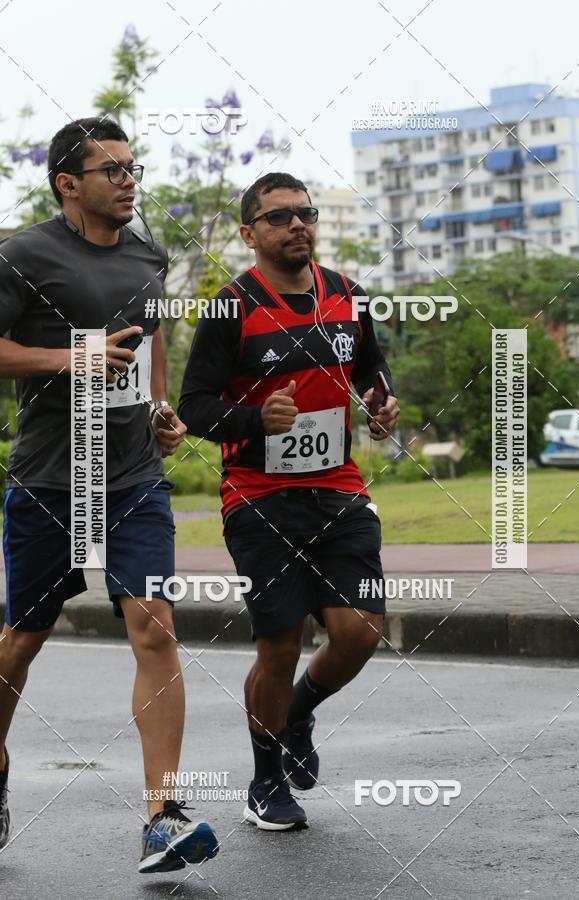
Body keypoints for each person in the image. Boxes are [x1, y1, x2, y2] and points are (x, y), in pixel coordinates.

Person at [0, 117, 218, 873]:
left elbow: (149, 343)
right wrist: (71, 355)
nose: (129, 181)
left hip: (131, 481)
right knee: (20, 644)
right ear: (68, 183)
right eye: (112, 170)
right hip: (50, 481)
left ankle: (163, 817)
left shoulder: (147, 254)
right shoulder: (21, 255)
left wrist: (161, 409)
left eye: (133, 168)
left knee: (155, 628)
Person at [179, 172, 399, 830]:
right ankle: (266, 780)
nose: (297, 224)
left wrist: (380, 402)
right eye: (279, 217)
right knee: (278, 644)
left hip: (338, 489)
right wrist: (253, 420)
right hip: (258, 496)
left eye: (304, 213)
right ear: (250, 234)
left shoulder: (346, 295)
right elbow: (194, 408)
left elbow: (369, 367)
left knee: (360, 631)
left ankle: (298, 712)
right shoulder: (230, 307)